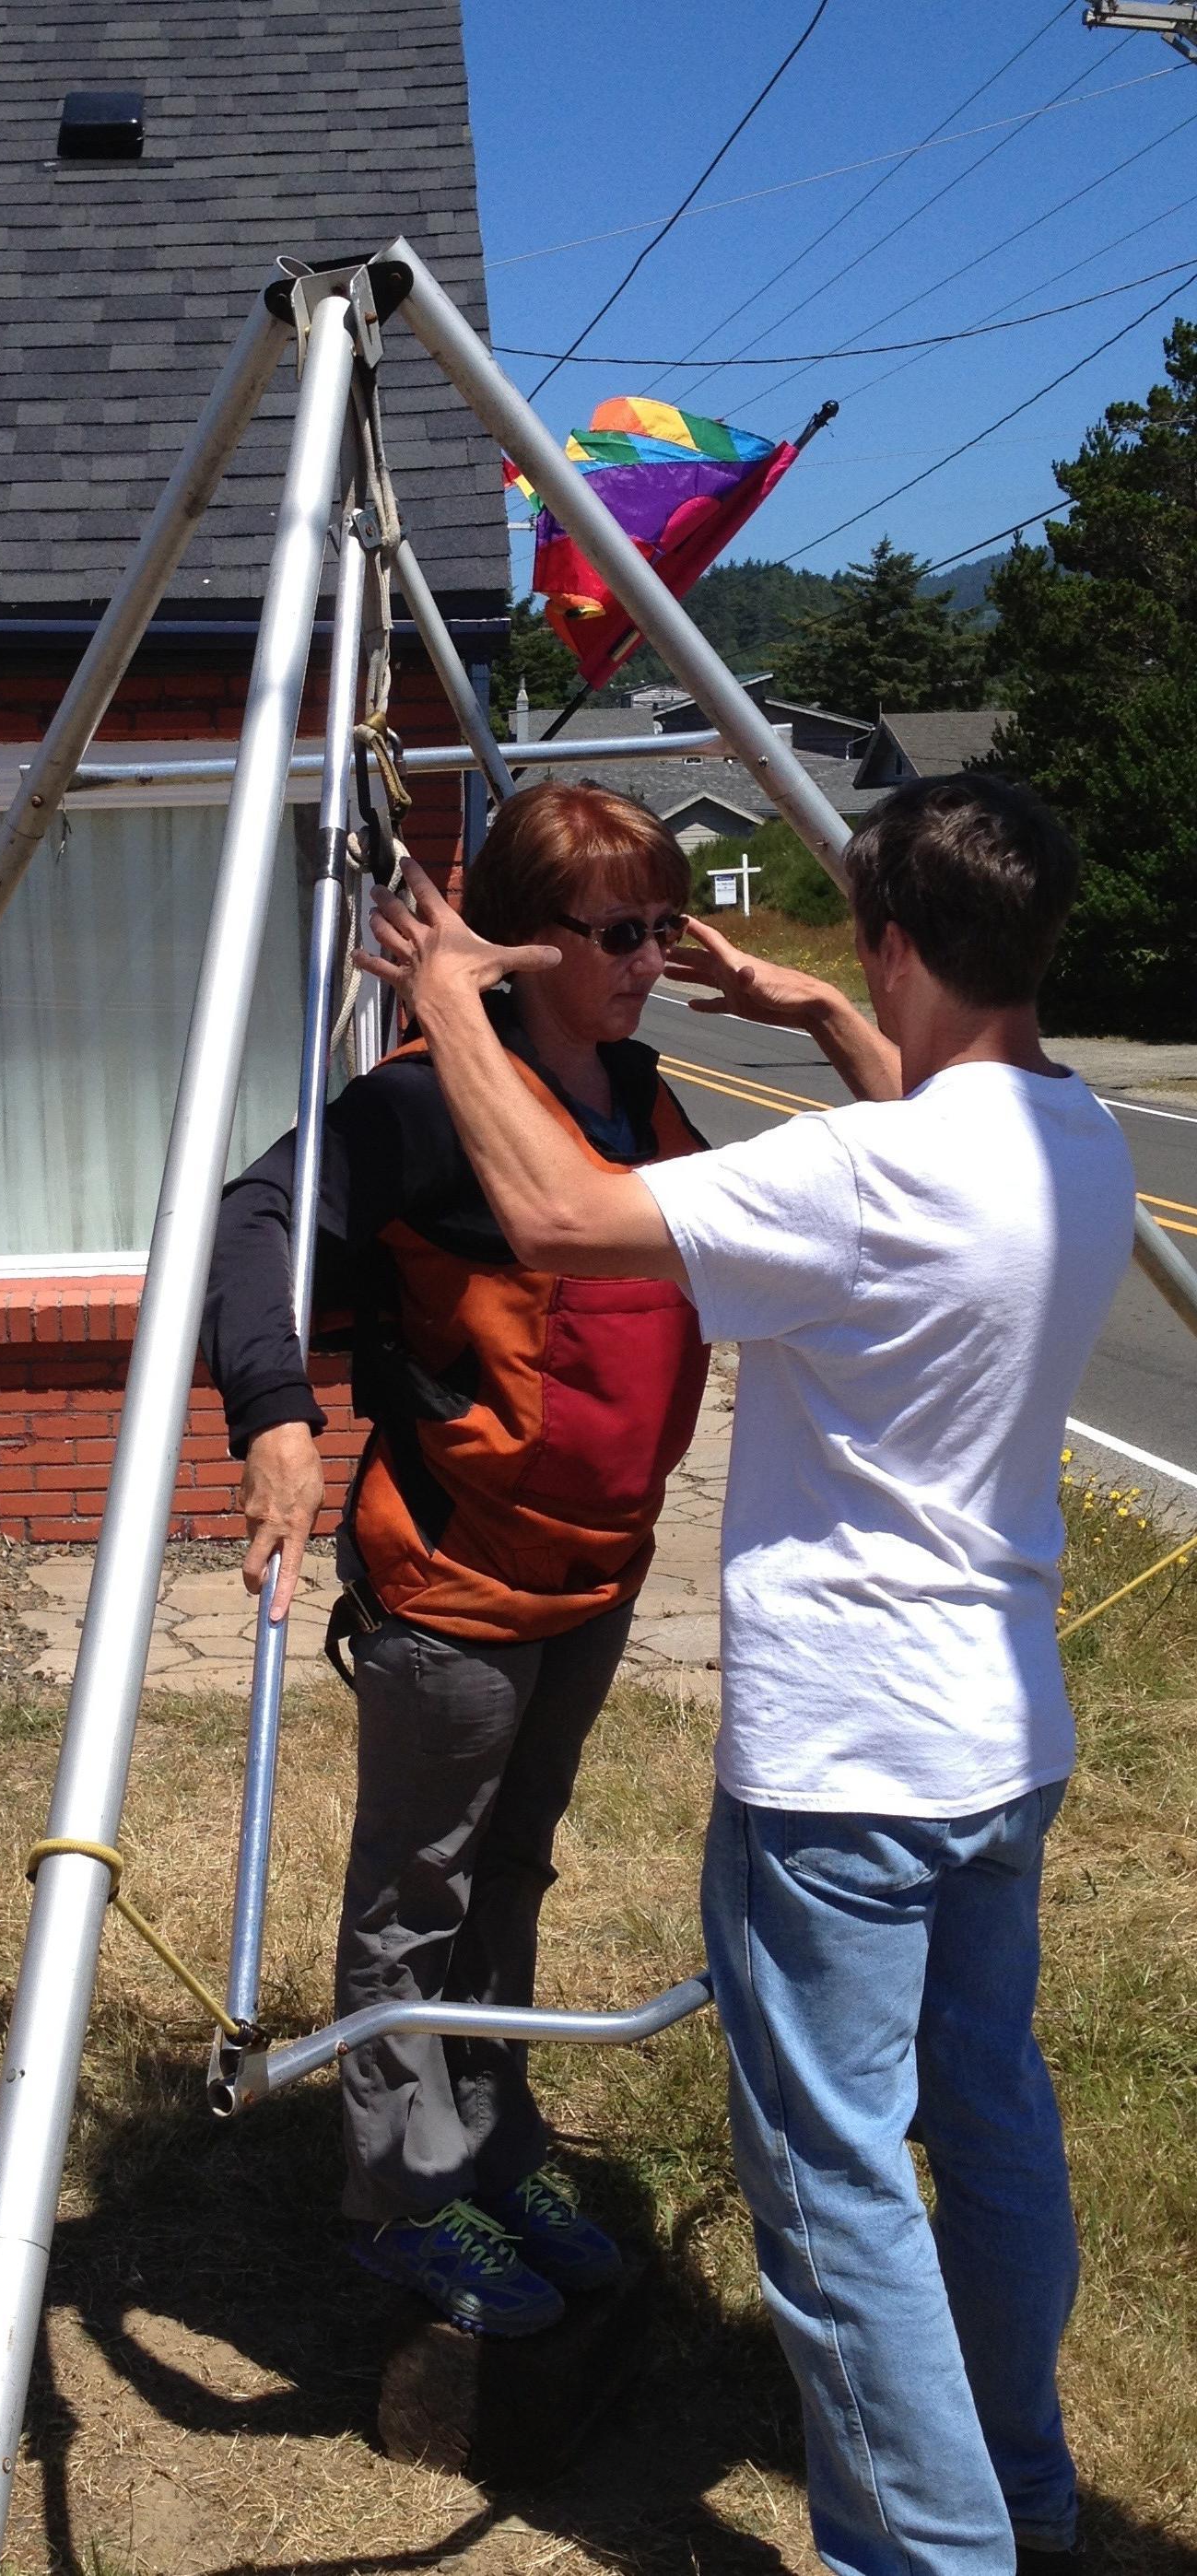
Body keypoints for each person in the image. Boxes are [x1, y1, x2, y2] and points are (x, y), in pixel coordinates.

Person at [358, 774, 1132, 2570]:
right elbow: (939, 1112)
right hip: (1000, 1744)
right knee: (993, 2114)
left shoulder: (859, 1176)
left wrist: (452, 1000)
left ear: (892, 937)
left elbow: (558, 1214)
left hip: (847, 1769)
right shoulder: (1068, 1138)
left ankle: (932, 2554)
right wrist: (825, 1015)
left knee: (835, 2183)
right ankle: (1022, 2490)